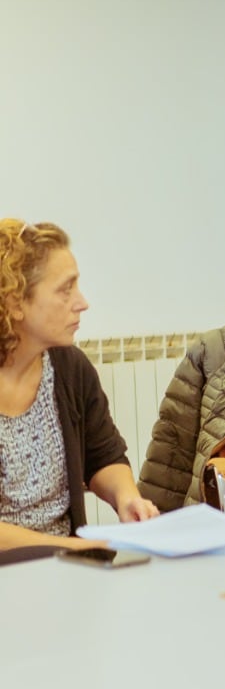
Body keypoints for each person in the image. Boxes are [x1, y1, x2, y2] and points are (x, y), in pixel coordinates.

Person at [0, 219, 158, 563]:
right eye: (65, 289)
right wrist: (73, 547)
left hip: (67, 567)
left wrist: (127, 497)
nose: (82, 302)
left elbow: (104, 456)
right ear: (15, 303)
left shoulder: (70, 367)